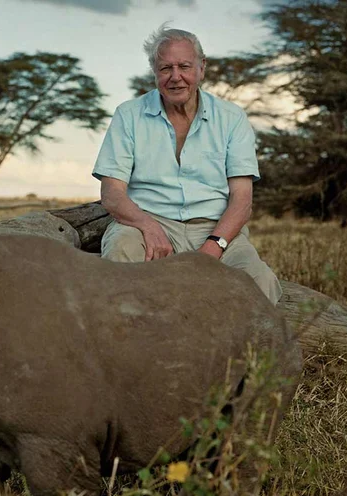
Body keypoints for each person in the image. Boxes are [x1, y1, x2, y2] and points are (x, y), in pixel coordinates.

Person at [92, 24, 282, 305]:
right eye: (165, 68)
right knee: (121, 251)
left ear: (201, 68)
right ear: (154, 72)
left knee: (260, 283)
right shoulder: (128, 115)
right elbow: (112, 193)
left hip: (215, 229)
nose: (176, 77)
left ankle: (229, 349)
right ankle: (134, 345)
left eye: (184, 66)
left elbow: (242, 201)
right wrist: (148, 227)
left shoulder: (232, 118)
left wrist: (213, 247)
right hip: (147, 224)